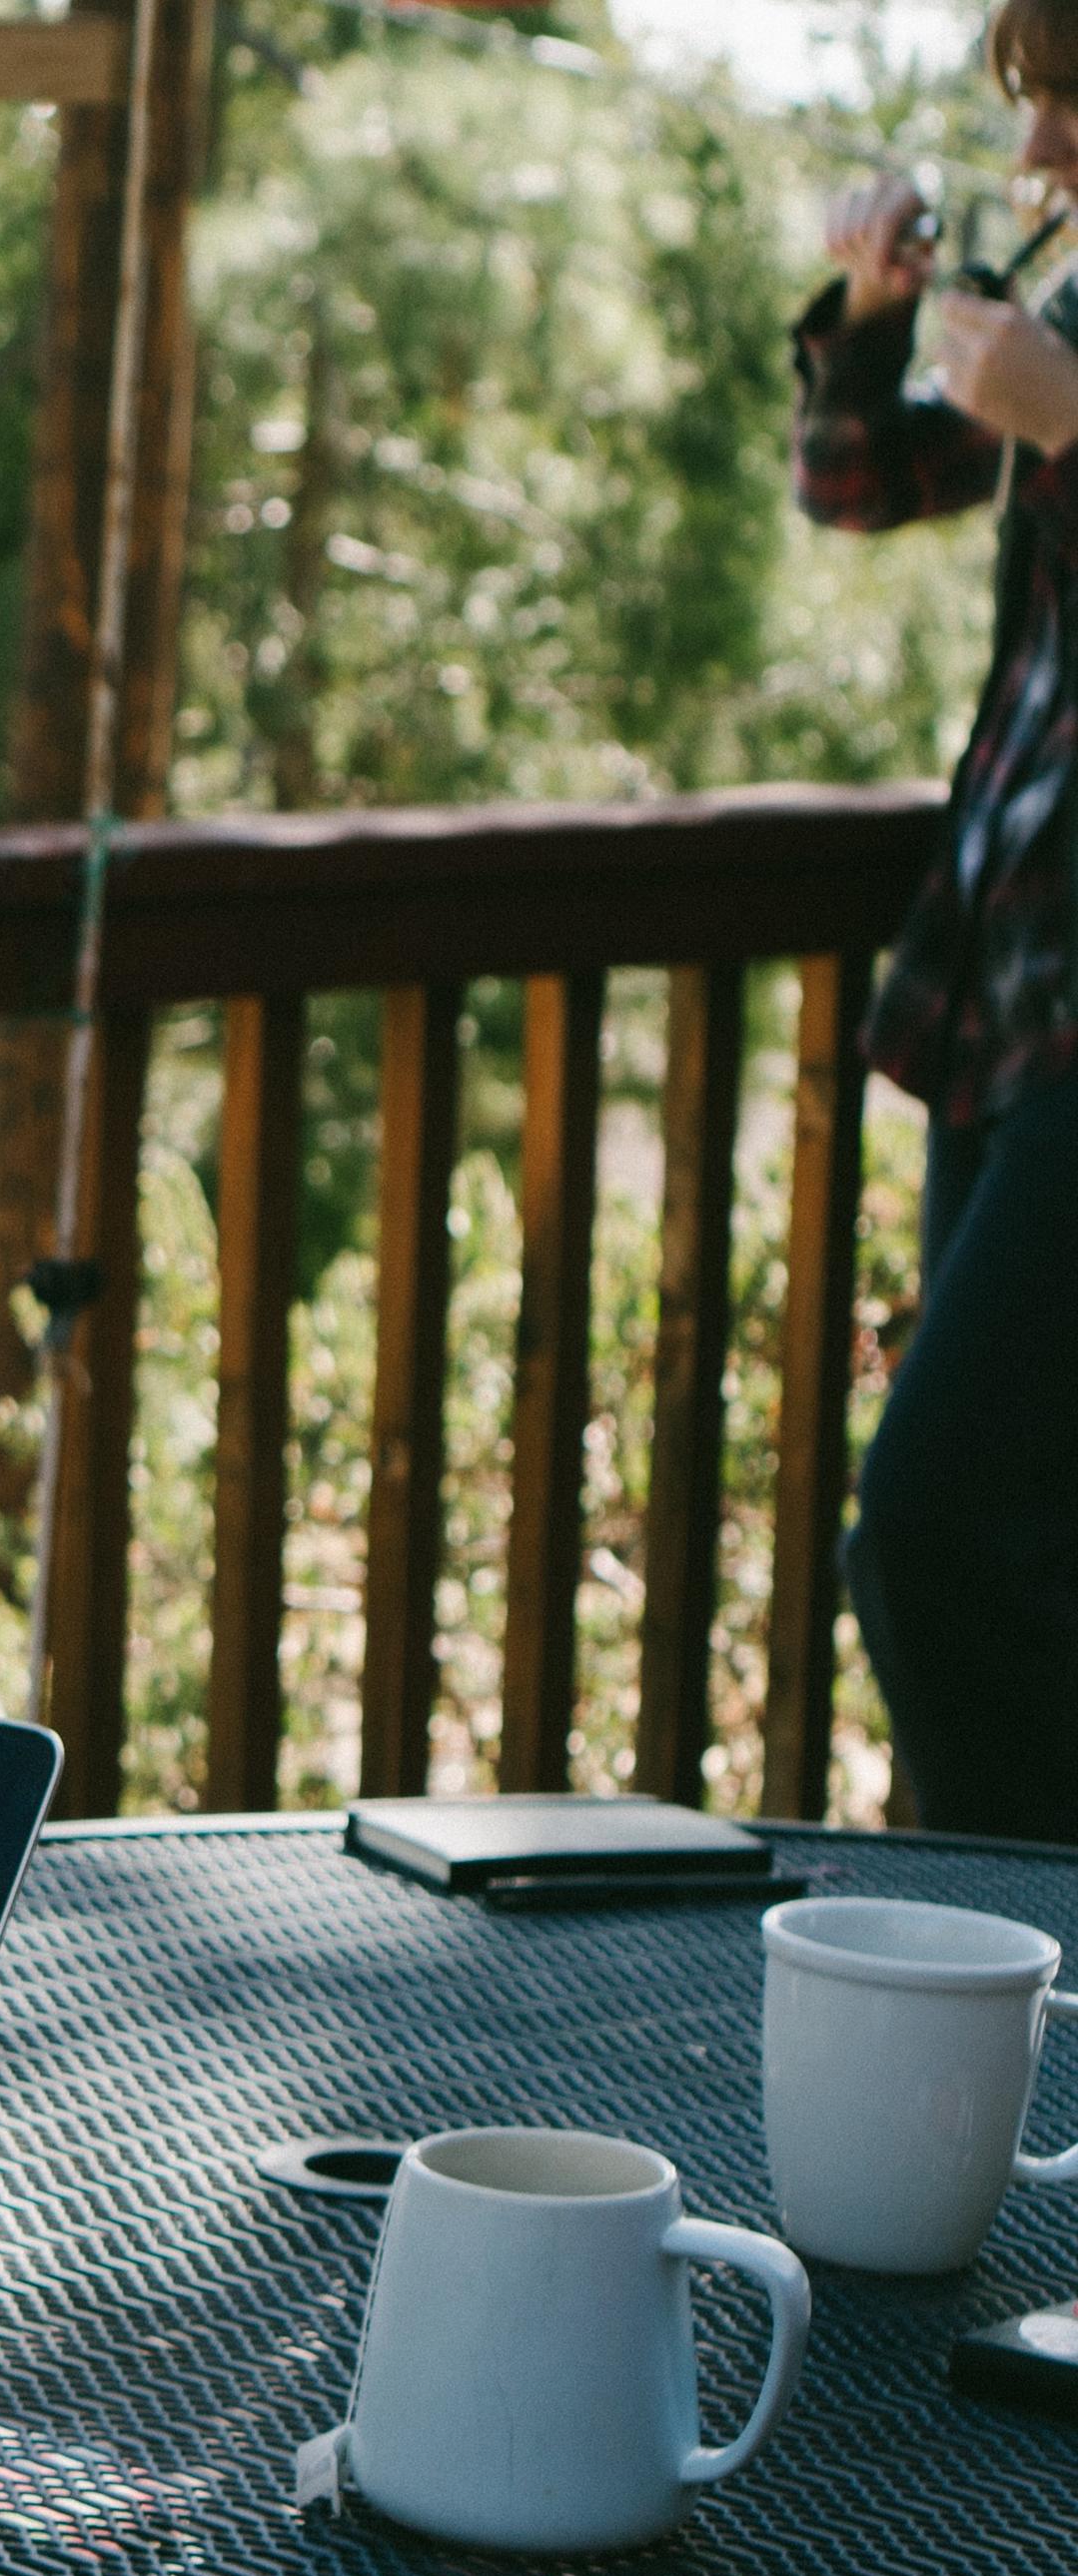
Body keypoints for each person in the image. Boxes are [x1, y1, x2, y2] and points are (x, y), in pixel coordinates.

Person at [805, 3, 1078, 1838]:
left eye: (1074, 104)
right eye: (1037, 105)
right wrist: (879, 316)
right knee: (1016, 1526)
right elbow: (858, 486)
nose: (1043, 153)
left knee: (933, 1515)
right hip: (1013, 984)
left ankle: (1022, 1961)